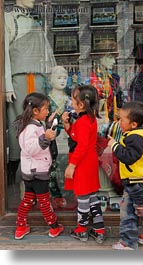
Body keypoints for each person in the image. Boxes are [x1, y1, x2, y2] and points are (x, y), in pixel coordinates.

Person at [5, 0, 56, 185]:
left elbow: (48, 56)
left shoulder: (34, 22)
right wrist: (7, 84)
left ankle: (41, 168)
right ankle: (13, 168)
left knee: (39, 124)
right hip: (20, 80)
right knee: (18, 124)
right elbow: (3, 54)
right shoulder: (7, 18)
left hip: (38, 80)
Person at [107, 101, 143, 250]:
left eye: (122, 119)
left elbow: (129, 157)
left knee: (128, 212)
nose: (119, 122)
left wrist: (115, 145)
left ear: (134, 124)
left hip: (138, 182)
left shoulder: (135, 137)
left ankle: (128, 242)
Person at [13, 92, 64, 240]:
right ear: (35, 111)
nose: (48, 111)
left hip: (30, 171)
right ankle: (54, 227)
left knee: (28, 199)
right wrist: (45, 137)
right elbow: (30, 148)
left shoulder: (34, 124)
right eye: (46, 109)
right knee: (44, 201)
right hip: (37, 172)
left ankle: (21, 227)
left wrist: (48, 125)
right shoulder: (30, 128)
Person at [61, 85, 105, 244]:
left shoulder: (83, 122)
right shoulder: (89, 119)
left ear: (81, 104)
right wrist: (67, 125)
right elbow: (78, 137)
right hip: (89, 161)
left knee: (83, 198)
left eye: (73, 99)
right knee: (92, 196)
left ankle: (81, 229)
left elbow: (81, 145)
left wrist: (72, 165)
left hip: (82, 163)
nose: (71, 102)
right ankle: (99, 229)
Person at [47, 65, 72, 208]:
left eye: (64, 77)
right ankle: (55, 194)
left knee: (66, 163)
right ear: (51, 79)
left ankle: (67, 192)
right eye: (58, 77)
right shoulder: (47, 100)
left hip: (67, 136)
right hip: (52, 137)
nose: (62, 80)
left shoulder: (69, 99)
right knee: (53, 165)